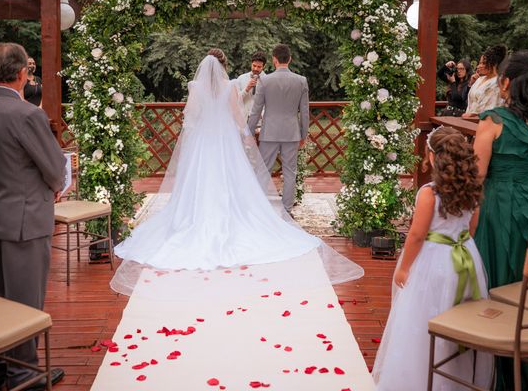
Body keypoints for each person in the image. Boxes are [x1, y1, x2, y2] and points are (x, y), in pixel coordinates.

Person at [112, 51, 362, 289]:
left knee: (199, 180)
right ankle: (230, 218)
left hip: (202, 142)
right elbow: (237, 115)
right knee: (229, 179)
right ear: (223, 65)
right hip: (224, 141)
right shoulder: (230, 86)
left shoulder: (195, 87)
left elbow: (192, 114)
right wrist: (245, 136)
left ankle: (194, 218)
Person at [0, 43, 66, 390]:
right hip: (25, 219)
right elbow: (54, 167)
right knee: (25, 302)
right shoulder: (28, 115)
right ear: (23, 74)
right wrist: (55, 186)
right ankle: (24, 374)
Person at [373, 126, 492, 391]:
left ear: (431, 156)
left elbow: (416, 235)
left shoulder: (429, 193)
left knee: (423, 317)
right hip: (465, 257)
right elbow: (472, 228)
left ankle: (420, 379)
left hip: (434, 262)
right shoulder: (473, 189)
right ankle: (457, 380)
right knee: (459, 317)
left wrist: (403, 268)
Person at [473, 50, 528, 390]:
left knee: (500, 276)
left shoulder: (493, 120)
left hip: (501, 209)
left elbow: (476, 175)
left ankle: (497, 367)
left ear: (506, 83)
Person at [247, 44, 309, 213]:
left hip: (269, 133)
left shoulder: (264, 81)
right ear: (289, 59)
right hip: (291, 133)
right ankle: (287, 209)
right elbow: (304, 112)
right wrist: (304, 135)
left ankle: (259, 208)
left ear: (274, 60)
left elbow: (255, 111)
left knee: (264, 169)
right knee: (290, 172)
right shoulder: (301, 81)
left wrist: (249, 132)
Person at [463, 44, 506, 118]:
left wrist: (473, 115)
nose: (479, 66)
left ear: (494, 64)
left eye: (483, 63)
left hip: (484, 121)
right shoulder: (480, 79)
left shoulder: (497, 83)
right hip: (468, 120)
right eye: (479, 63)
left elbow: (490, 109)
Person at [235, 51, 267, 118]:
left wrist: (262, 114)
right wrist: (247, 89)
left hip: (260, 121)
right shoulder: (241, 78)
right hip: (242, 120)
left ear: (264, 66)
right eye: (254, 65)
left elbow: (270, 102)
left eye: (259, 67)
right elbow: (236, 100)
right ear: (251, 64)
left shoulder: (268, 80)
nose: (256, 69)